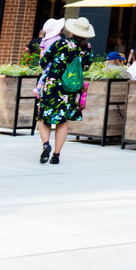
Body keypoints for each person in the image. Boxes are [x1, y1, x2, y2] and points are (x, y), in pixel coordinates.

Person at [37, 17, 94, 165]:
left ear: (72, 31)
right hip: (70, 88)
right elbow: (86, 67)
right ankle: (56, 155)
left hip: (53, 85)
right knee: (62, 121)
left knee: (43, 118)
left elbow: (43, 63)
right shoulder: (87, 48)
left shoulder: (60, 43)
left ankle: (46, 144)